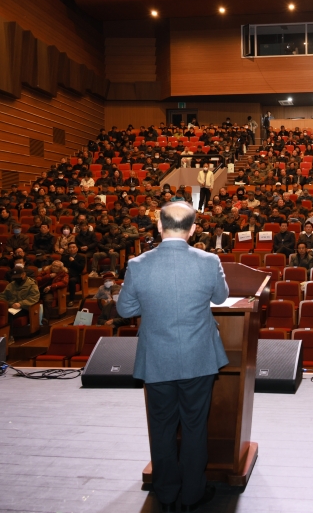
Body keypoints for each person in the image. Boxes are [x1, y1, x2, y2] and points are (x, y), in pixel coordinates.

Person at [116, 202, 226, 512]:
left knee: (162, 428)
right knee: (194, 427)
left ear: (159, 228)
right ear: (193, 229)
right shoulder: (209, 260)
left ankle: (165, 495)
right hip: (198, 358)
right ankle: (192, 495)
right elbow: (218, 297)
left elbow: (125, 310)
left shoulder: (138, 264)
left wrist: (152, 307)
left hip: (157, 360)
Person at [0, 266, 40, 333]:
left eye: (18, 277)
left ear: (23, 274)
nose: (16, 279)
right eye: (14, 277)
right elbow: (1, 296)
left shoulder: (31, 284)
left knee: (9, 315)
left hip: (25, 308)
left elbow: (34, 298)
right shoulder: (11, 285)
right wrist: (10, 304)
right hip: (12, 307)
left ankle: (9, 335)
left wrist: (21, 304)